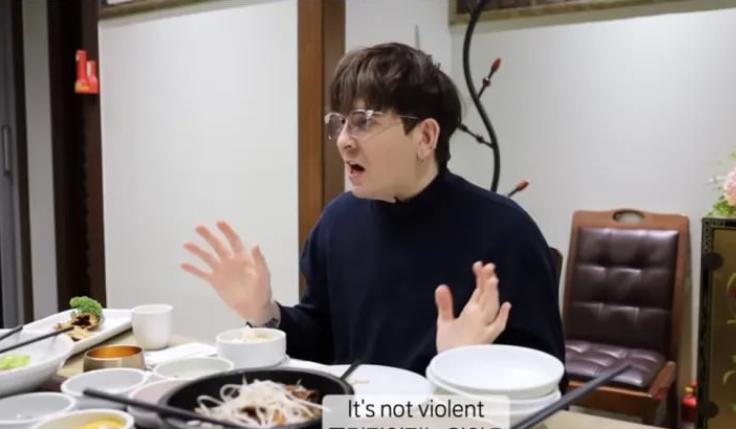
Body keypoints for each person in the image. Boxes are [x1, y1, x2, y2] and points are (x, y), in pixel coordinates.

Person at [182, 42, 565, 387]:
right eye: (339, 122)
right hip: (345, 428)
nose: (343, 140)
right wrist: (265, 315)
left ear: (425, 137)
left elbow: (549, 385)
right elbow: (320, 344)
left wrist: (460, 367)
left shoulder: (506, 232)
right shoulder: (338, 223)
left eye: (363, 121)